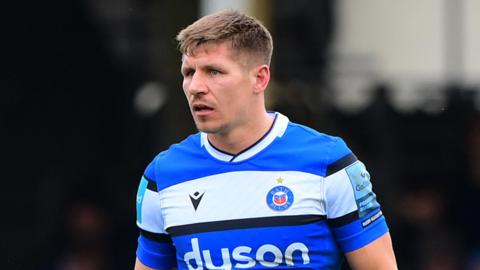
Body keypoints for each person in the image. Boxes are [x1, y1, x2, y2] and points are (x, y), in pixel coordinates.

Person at [134, 9, 397, 270]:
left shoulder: (329, 164)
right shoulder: (162, 175)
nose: (196, 87)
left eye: (214, 71)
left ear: (259, 78)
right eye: (189, 72)